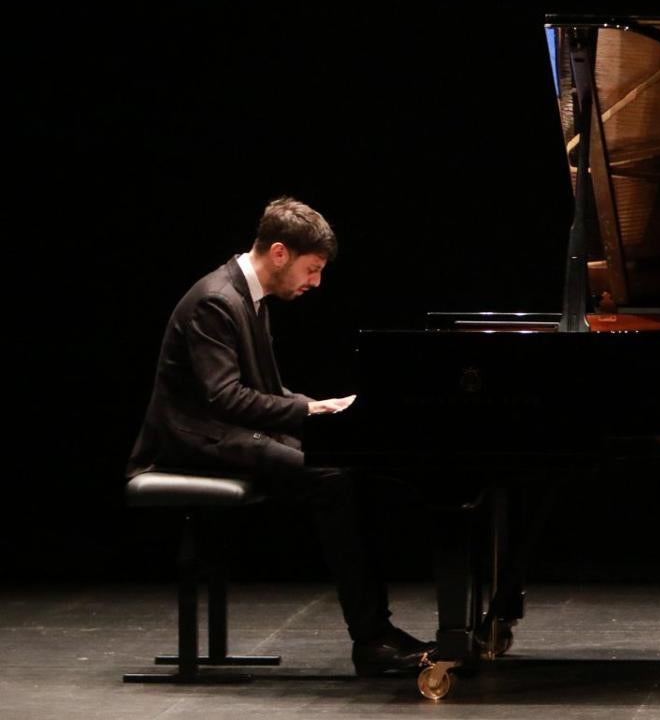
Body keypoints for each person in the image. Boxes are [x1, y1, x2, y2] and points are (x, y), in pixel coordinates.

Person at [127, 195, 435, 675]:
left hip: (226, 434)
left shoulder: (248, 298)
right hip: (192, 443)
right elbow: (225, 399)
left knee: (348, 464)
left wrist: (324, 406)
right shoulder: (216, 301)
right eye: (312, 269)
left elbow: (264, 391)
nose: (316, 282)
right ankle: (370, 639)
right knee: (332, 477)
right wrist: (307, 410)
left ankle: (377, 631)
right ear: (278, 253)